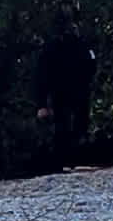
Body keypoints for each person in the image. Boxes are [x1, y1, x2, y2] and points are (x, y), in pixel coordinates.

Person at [35, 15, 96, 166]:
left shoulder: (81, 45)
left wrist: (41, 103)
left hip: (78, 89)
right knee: (64, 125)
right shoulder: (52, 48)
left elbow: (92, 64)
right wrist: (41, 103)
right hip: (63, 91)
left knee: (78, 124)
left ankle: (73, 158)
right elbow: (42, 75)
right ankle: (64, 161)